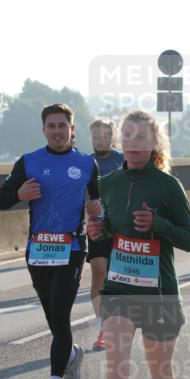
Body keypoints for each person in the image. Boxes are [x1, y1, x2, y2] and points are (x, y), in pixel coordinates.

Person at [86, 110, 190, 379]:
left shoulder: (168, 186)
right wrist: (98, 230)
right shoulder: (109, 183)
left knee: (159, 372)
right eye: (128, 135)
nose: (133, 142)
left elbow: (189, 239)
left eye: (141, 136)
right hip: (118, 290)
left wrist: (159, 225)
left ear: (154, 144)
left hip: (159, 293)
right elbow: (107, 234)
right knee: (116, 372)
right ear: (120, 141)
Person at [0, 103, 100, 379]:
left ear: (72, 129)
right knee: (53, 318)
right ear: (43, 130)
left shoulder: (86, 164)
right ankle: (71, 354)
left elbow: (98, 202)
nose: (57, 131)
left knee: (61, 313)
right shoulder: (28, 162)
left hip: (72, 249)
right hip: (39, 250)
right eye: (51, 126)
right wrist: (19, 194)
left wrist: (98, 211)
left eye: (62, 126)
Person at [87, 118, 125, 351]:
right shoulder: (85, 162)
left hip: (121, 228)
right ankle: (104, 326)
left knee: (118, 278)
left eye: (104, 136)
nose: (100, 141)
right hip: (96, 228)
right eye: (95, 137)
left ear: (113, 137)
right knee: (99, 272)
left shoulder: (123, 159)